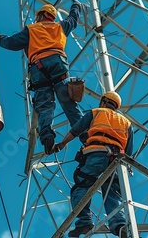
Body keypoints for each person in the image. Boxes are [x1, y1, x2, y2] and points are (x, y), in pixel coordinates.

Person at [0, 1, 85, 153]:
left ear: (41, 15)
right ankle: (88, 137)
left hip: (39, 68)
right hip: (58, 66)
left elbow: (11, 43)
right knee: (68, 103)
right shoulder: (60, 26)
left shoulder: (31, 29)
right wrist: (76, 6)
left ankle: (47, 135)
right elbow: (73, 19)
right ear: (52, 17)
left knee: (44, 105)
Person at [52, 91, 133, 238]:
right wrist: (126, 170)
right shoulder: (126, 122)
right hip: (117, 162)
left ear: (103, 101)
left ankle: (84, 222)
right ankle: (120, 226)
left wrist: (62, 143)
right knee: (112, 193)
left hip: (98, 154)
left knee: (80, 188)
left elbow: (76, 129)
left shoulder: (96, 112)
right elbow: (128, 152)